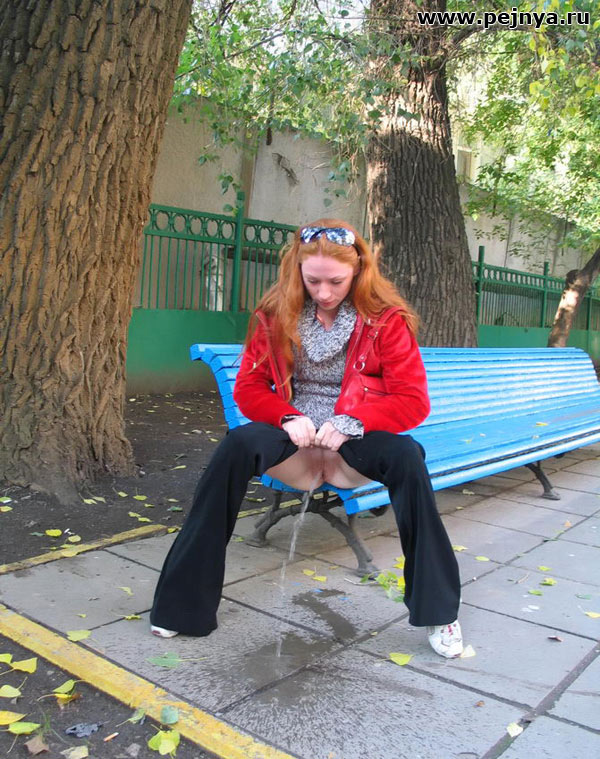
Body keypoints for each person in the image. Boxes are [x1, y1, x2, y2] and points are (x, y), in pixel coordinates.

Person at [150, 219, 463, 658]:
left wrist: (352, 421)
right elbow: (249, 388)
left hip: (351, 447)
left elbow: (412, 401)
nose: (324, 292)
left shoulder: (386, 321)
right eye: (312, 280)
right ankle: (181, 606)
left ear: (358, 271)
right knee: (237, 446)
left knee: (407, 456)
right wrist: (286, 416)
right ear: (296, 269)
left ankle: (440, 612)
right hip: (294, 443)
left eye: (335, 281)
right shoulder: (275, 315)